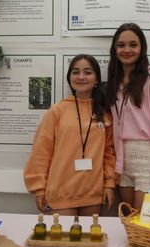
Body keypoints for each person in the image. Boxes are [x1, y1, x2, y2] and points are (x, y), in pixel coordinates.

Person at [24, 54, 116, 216]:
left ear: (96, 79)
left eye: (87, 72)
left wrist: (109, 184)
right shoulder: (57, 110)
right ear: (69, 77)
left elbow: (110, 152)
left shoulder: (105, 113)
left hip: (92, 192)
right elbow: (41, 151)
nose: (81, 77)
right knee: (62, 240)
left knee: (90, 239)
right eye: (75, 72)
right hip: (61, 192)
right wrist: (39, 188)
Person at [105, 23, 150, 210]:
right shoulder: (115, 80)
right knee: (129, 221)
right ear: (114, 48)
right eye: (121, 45)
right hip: (123, 160)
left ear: (142, 47)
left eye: (133, 44)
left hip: (148, 159)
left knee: (145, 223)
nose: (126, 50)